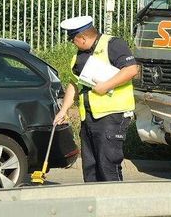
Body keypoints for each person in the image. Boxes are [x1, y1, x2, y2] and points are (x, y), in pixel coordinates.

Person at [53, 15, 139, 182]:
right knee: (90, 168)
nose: (72, 43)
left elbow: (131, 69)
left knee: (108, 166)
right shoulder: (80, 55)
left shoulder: (113, 44)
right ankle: (93, 197)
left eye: (72, 39)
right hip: (89, 117)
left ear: (82, 38)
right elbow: (74, 84)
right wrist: (63, 110)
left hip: (112, 116)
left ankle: (115, 198)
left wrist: (106, 86)